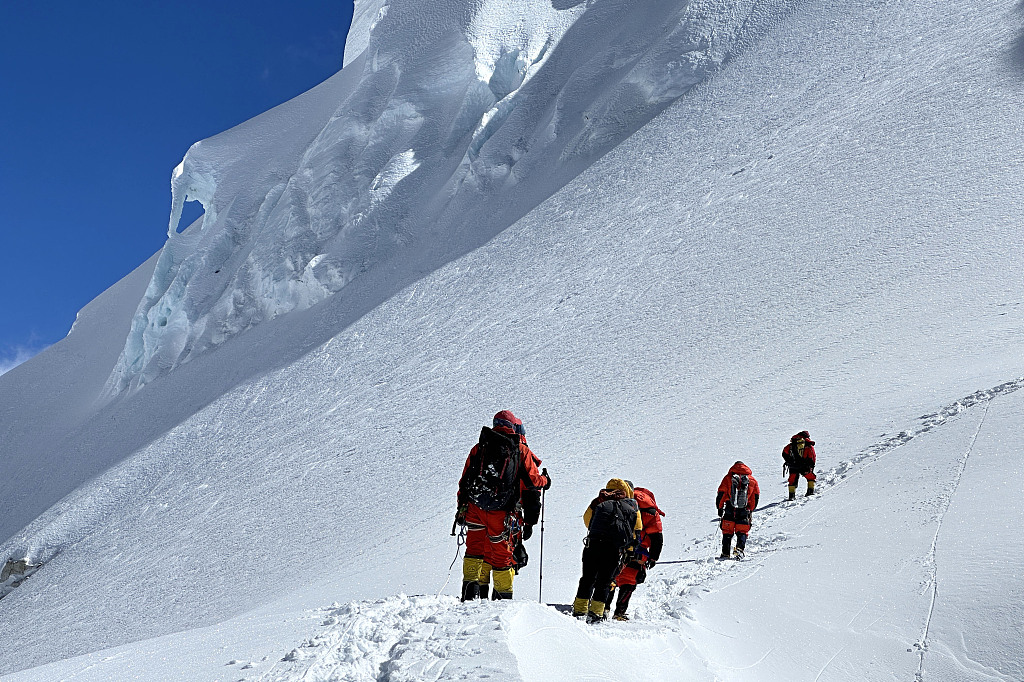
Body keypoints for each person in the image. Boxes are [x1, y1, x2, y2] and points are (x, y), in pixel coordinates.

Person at [456, 410, 550, 601]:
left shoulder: (480, 447)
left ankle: (468, 597)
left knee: (474, 549)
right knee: (501, 556)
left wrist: (461, 507)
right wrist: (545, 481)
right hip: (502, 512)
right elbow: (532, 481)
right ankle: (502, 602)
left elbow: (464, 480)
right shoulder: (519, 448)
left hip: (476, 507)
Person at [573, 478, 642, 623]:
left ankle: (579, 610)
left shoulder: (599, 501)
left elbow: (587, 520)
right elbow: (636, 531)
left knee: (587, 578)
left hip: (593, 544)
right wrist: (629, 550)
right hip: (614, 549)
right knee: (604, 582)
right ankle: (596, 613)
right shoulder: (632, 506)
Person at [610, 484, 664, 621]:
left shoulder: (615, 501)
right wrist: (653, 557)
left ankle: (601, 609)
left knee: (610, 578)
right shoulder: (650, 511)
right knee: (629, 580)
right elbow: (657, 537)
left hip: (615, 547)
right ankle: (619, 613)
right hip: (638, 552)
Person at [716, 462, 760, 559]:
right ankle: (739, 549)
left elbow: (721, 494)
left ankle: (725, 552)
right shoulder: (752, 480)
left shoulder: (728, 478)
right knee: (742, 531)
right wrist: (751, 509)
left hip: (729, 508)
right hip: (744, 509)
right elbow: (755, 497)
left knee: (727, 531)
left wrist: (719, 508)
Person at [782, 430, 816, 499]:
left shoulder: (792, 444)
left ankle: (791, 496)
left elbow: (784, 452)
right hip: (805, 466)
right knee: (811, 477)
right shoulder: (808, 445)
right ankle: (810, 491)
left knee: (792, 480)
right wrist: (811, 466)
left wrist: (789, 461)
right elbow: (812, 456)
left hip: (793, 466)